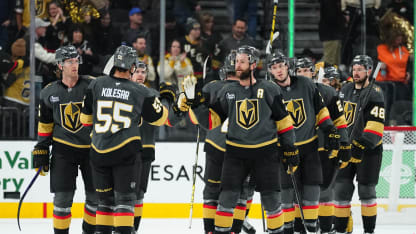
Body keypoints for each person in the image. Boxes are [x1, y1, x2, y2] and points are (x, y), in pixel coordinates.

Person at [184, 45, 298, 234]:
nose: (237, 65)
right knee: (226, 200)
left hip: (266, 153)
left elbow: (284, 122)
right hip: (235, 153)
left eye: (242, 61)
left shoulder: (269, 88)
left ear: (253, 64)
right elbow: (212, 122)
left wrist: (290, 148)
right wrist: (195, 104)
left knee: (271, 201)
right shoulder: (228, 90)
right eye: (236, 61)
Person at [80, 45, 168, 234]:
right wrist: (166, 98)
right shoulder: (140, 91)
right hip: (125, 153)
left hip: (98, 151)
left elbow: (85, 120)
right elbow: (160, 118)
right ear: (132, 67)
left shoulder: (96, 84)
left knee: (104, 203)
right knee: (125, 203)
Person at [269, 51, 340, 233]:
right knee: (286, 191)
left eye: (281, 66)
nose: (279, 70)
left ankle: (311, 227)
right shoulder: (268, 90)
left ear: (287, 66)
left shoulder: (306, 84)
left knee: (312, 189)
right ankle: (288, 228)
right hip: (284, 149)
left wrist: (330, 129)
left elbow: (320, 110)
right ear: (270, 71)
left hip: (309, 147)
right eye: (274, 67)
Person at [31, 45, 97, 234]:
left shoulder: (92, 85)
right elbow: (45, 124)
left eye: (76, 60)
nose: (74, 65)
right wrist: (42, 148)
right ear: (60, 65)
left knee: (95, 199)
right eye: (70, 62)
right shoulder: (48, 92)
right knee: (62, 199)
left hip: (91, 149)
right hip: (63, 149)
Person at [295, 58, 351, 234]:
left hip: (323, 149)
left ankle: (326, 230)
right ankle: (303, 229)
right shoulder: (287, 92)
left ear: (313, 73)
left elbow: (340, 122)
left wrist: (344, 145)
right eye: (299, 71)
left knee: (325, 192)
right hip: (298, 150)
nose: (303, 74)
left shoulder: (327, 92)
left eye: (306, 70)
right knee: (299, 194)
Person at [335, 55, 385, 234]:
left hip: (368, 152)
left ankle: (368, 231)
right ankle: (340, 230)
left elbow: (376, 125)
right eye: (354, 69)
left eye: (360, 69)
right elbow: (338, 118)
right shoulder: (345, 89)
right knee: (341, 190)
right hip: (347, 149)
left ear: (369, 71)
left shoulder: (375, 93)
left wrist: (360, 144)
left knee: (366, 191)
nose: (355, 73)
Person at [130, 60, 181, 232]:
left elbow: (168, 120)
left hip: (145, 148)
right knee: (122, 194)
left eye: (143, 72)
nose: (140, 75)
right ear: (129, 71)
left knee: (138, 195)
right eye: (137, 71)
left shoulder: (151, 93)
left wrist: (170, 102)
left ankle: (133, 230)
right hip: (123, 148)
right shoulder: (121, 90)